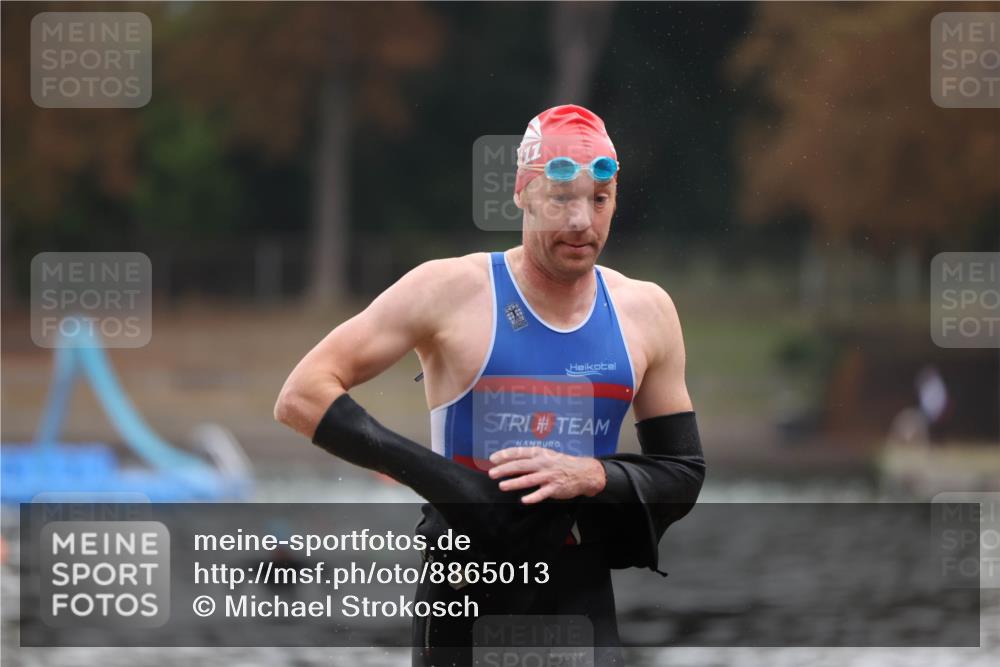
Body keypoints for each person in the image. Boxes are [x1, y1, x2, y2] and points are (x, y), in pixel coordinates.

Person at [274, 104, 706, 666]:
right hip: (464, 598)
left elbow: (683, 473)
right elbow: (302, 394)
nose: (581, 221)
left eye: (599, 200)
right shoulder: (450, 290)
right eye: (561, 199)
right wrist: (456, 489)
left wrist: (591, 474)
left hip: (580, 597)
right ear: (523, 195)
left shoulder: (646, 311)